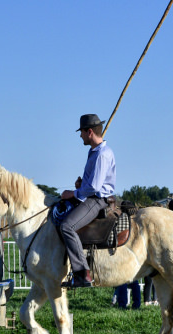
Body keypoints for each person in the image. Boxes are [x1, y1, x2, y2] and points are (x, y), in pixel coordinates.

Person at [60, 114, 116, 288]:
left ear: (89, 131)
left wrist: (74, 193)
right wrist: (81, 184)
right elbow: (91, 183)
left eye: (82, 132)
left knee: (66, 226)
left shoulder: (102, 155)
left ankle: (82, 274)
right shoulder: (94, 152)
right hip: (91, 196)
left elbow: (94, 187)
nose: (80, 136)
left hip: (97, 200)